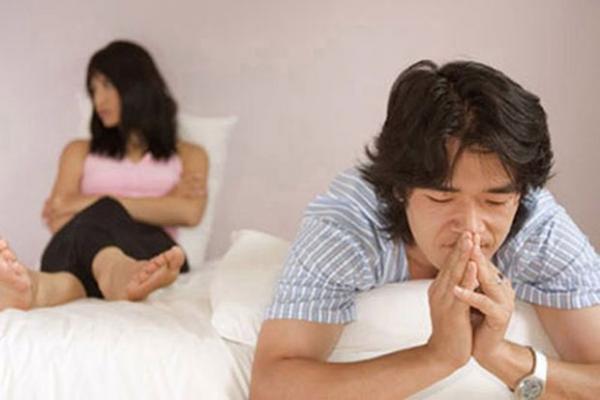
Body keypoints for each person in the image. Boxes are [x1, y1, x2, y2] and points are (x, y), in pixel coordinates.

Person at [250, 60, 600, 399]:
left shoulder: (539, 231)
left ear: (522, 194)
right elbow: (271, 387)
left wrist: (501, 356)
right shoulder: (348, 229)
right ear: (400, 190)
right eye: (441, 199)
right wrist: (437, 356)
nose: (471, 228)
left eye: (494, 202)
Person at [0, 40, 207, 310]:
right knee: (90, 231)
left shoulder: (190, 154)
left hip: (152, 250)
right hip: (83, 241)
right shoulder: (78, 151)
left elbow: (189, 213)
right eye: (93, 89)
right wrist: (163, 204)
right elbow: (58, 218)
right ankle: (109, 275)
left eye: (107, 85)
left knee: (99, 215)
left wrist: (89, 202)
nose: (98, 100)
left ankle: (40, 287)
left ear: (137, 86)